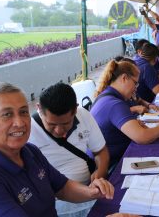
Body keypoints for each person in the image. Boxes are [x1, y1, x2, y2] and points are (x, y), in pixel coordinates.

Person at [0, 82, 114, 216]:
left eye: (23, 112)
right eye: (7, 114)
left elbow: (62, 187)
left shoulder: (29, 151)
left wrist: (92, 192)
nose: (19, 122)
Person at [29, 82, 110, 217]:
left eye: (66, 123)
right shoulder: (28, 131)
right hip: (57, 200)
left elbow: (101, 151)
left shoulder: (83, 115)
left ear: (76, 109)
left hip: (89, 189)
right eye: (51, 124)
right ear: (39, 109)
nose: (59, 131)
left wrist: (100, 173)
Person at [91, 60, 159, 168]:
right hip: (111, 166)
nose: (135, 89)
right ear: (124, 78)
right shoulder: (114, 104)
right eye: (135, 83)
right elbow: (142, 137)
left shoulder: (108, 96)